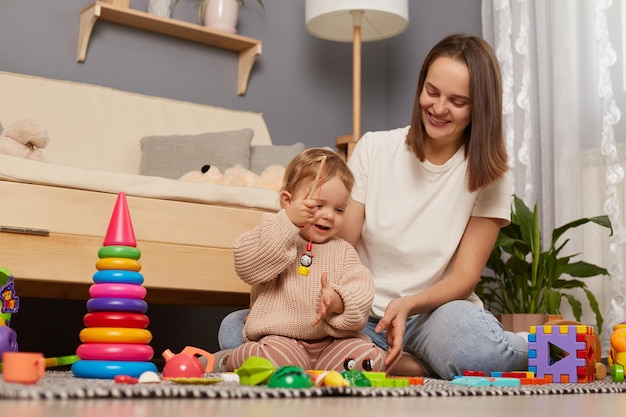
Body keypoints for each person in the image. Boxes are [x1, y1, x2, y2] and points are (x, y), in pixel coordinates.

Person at [218, 33, 528, 380]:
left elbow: (465, 277)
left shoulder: (490, 173)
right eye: (432, 91)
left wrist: (408, 304)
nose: (439, 108)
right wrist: (309, 300)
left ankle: (522, 347)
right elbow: (339, 244)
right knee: (235, 328)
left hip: (433, 316)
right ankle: (405, 365)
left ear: (479, 107)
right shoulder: (375, 148)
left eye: (457, 101)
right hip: (358, 316)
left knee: (480, 350)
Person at [215, 147, 386, 373]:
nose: (328, 215)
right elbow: (247, 264)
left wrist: (339, 301)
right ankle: (227, 360)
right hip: (282, 340)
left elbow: (362, 288)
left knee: (370, 360)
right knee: (275, 360)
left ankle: (317, 370)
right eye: (318, 205)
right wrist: (287, 222)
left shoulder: (342, 250)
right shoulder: (273, 233)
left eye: (339, 209)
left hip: (331, 344)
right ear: (287, 201)